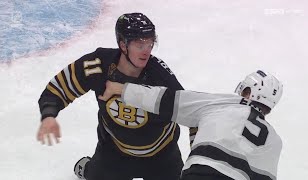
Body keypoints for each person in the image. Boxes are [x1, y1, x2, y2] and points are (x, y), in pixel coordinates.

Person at [36, 12, 184, 180]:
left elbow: (192, 109)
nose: (146, 51)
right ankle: (90, 170)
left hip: (162, 157)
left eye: (150, 44)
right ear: (123, 45)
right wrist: (48, 116)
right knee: (98, 174)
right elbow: (58, 88)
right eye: (139, 44)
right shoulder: (98, 65)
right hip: (115, 153)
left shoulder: (161, 76)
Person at [99, 70, 283, 180]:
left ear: (249, 93)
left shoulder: (222, 103)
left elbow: (165, 100)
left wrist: (122, 89)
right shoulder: (274, 140)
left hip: (201, 174)